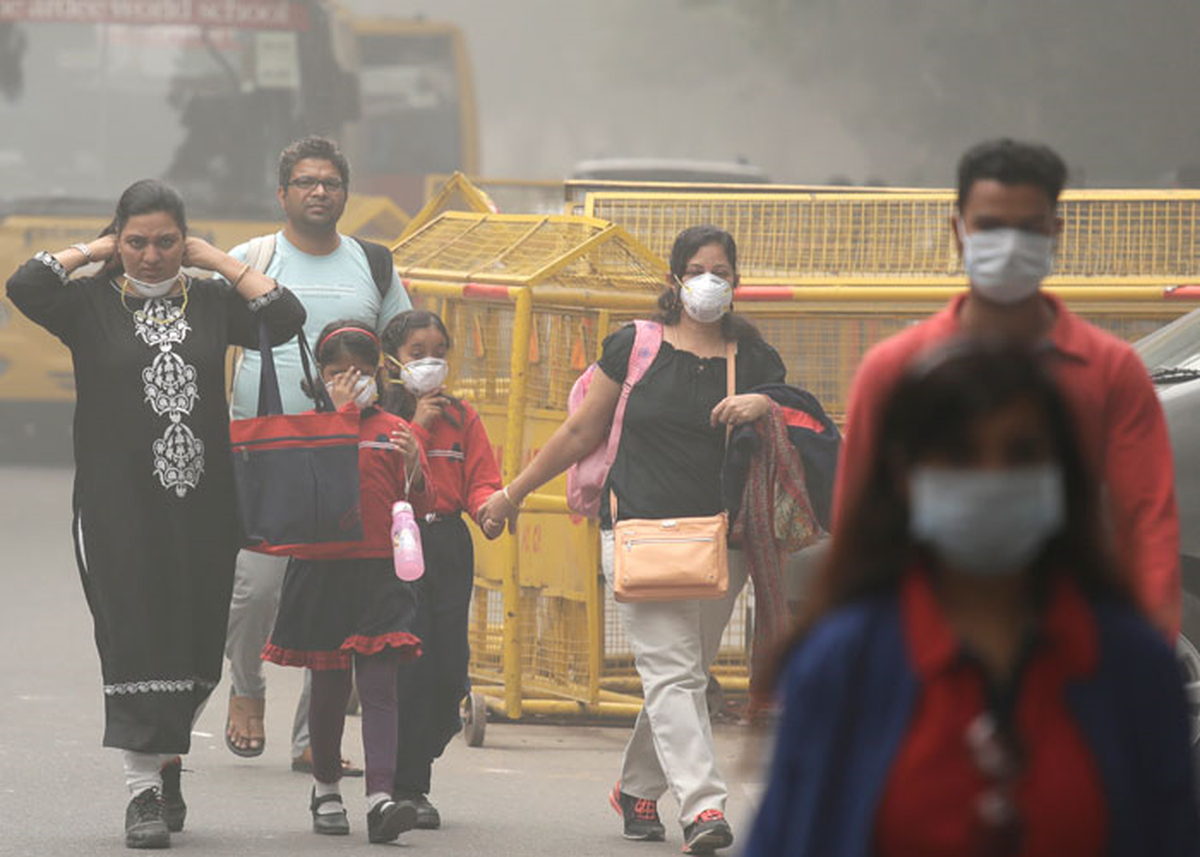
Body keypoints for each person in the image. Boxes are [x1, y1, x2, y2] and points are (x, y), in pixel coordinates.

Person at [746, 340, 1198, 857]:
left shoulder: (1134, 666)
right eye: (960, 456)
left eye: (1021, 455)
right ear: (907, 480)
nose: (991, 479)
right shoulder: (843, 662)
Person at [5, 179, 305, 848]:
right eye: (136, 242)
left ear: (185, 239)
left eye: (166, 241)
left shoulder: (213, 301)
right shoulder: (86, 304)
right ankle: (141, 792)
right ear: (120, 240)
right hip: (117, 509)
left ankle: (168, 756)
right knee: (134, 636)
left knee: (199, 646)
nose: (150, 255)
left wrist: (219, 260)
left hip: (205, 507)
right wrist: (92, 249)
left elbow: (285, 319)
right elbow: (25, 286)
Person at [479, 225, 787, 854]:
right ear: (674, 280)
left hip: (721, 537)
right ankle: (704, 808)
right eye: (698, 268)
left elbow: (795, 427)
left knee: (686, 672)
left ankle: (635, 786)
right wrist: (511, 495)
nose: (710, 280)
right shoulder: (635, 346)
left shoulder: (754, 360)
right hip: (637, 530)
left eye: (722, 271)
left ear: (737, 281)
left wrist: (766, 405)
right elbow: (578, 433)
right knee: (672, 673)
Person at [834, 138, 1180, 641]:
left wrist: (1149, 651)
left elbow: (1146, 518)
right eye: (991, 227)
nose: (1010, 243)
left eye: (1028, 227)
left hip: (1071, 641)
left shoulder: (1110, 370)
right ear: (958, 231)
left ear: (1054, 232)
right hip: (924, 640)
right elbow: (858, 520)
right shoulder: (895, 369)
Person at [222, 136, 411, 772]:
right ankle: (246, 691)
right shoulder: (252, 258)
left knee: (334, 594)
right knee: (256, 592)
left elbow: (404, 350)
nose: (319, 192)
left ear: (345, 194)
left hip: (348, 456)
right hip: (268, 451)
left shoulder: (373, 264)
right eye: (305, 182)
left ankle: (312, 740)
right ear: (282, 194)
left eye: (330, 182)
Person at [260, 320, 432, 844]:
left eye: (360, 372)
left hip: (380, 571)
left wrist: (414, 470)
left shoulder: (399, 431)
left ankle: (380, 797)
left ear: (379, 372)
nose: (349, 382)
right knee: (330, 685)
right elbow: (294, 501)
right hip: (322, 569)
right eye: (337, 373)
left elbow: (420, 508)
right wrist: (337, 421)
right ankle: (326, 786)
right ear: (319, 375)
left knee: (380, 686)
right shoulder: (307, 430)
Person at [378, 309, 503, 830]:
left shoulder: (463, 416)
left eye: (438, 353)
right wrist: (417, 425)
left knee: (449, 669)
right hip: (397, 542)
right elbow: (381, 479)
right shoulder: (381, 417)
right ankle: (407, 787)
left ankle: (417, 759)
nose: (429, 363)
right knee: (408, 666)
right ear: (391, 361)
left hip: (448, 543)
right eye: (416, 353)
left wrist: (489, 507)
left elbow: (480, 478)